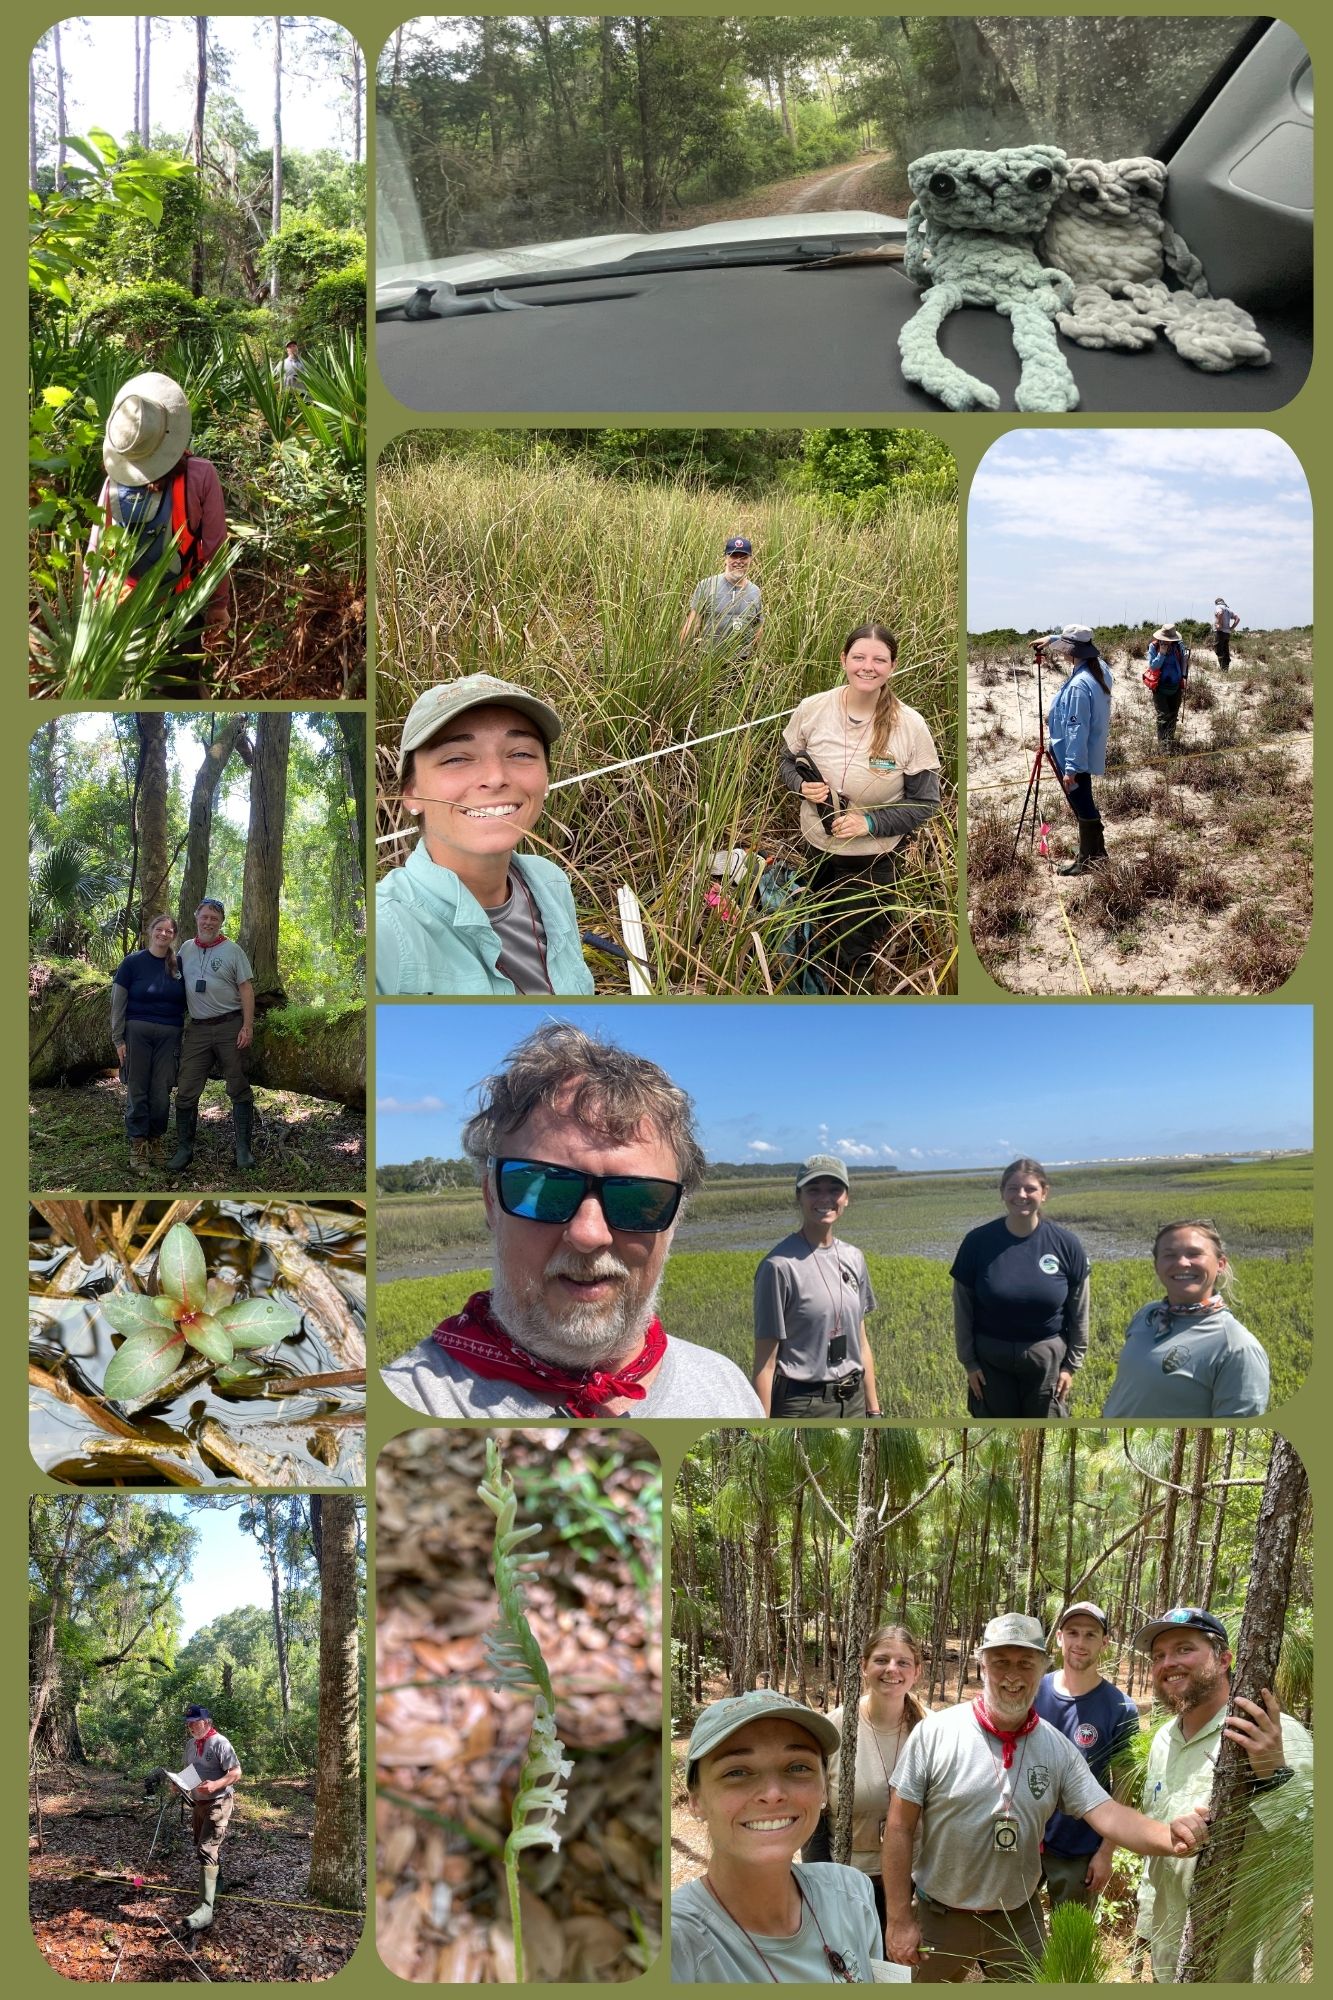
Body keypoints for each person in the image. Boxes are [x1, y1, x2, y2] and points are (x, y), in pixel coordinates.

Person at [382, 1021, 763, 1418]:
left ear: (676, 1217)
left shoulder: (726, 1392)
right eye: (545, 1191)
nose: (588, 1234)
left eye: (636, 1198)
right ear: (491, 1202)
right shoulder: (407, 1401)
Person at [882, 1613, 1208, 1983]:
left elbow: (1108, 1813)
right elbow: (899, 1827)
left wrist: (1169, 1836)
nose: (1013, 1675)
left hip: (1018, 1919)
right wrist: (898, 1919)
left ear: (1043, 1667)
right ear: (982, 1664)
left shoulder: (1056, 1748)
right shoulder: (935, 1733)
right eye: (1001, 1661)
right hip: (941, 1916)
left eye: (1025, 1662)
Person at [376, 674, 595, 997]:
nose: (495, 778)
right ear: (411, 792)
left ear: (546, 778)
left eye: (520, 753)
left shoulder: (553, 884)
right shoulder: (384, 932)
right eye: (456, 758)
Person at [1133, 1606, 1312, 1982]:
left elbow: (1311, 1852)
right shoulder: (1163, 1741)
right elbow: (1158, 1851)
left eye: (1184, 1649)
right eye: (1159, 1656)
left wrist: (1274, 1775)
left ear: (1225, 1659)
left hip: (1242, 1966)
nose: (1169, 1663)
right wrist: (1149, 1927)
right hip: (1170, 1959)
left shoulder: (1278, 1736)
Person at [672, 1690, 888, 1983]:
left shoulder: (852, 1896)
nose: (773, 1794)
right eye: (737, 1772)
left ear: (824, 1788)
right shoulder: (677, 1944)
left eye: (798, 1767)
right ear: (696, 1800)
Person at [780, 624, 941, 988]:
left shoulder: (911, 726)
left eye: (879, 659)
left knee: (855, 951)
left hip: (873, 860)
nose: (867, 667)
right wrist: (801, 785)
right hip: (817, 848)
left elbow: (926, 803)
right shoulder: (812, 709)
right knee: (817, 921)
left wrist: (867, 822)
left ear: (892, 666)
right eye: (859, 657)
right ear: (844, 660)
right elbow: (787, 761)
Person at [86, 371, 231, 650]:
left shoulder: (111, 481)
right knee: (177, 686)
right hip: (177, 608)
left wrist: (89, 610)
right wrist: (218, 604)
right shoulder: (200, 474)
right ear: (170, 432)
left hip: (119, 606)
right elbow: (215, 547)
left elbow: (96, 550)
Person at [804, 1626, 927, 1930]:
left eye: (903, 1662)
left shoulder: (932, 1730)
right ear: (863, 1666)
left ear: (917, 1672)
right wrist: (819, 1885)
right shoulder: (834, 1728)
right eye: (881, 1660)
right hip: (849, 1882)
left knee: (903, 1974)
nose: (892, 1670)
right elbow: (812, 1819)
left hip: (917, 1883)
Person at [949, 1158, 1089, 1419]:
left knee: (1045, 1438)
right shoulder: (977, 1242)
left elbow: (1080, 1311)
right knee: (995, 1435)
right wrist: (969, 1362)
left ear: (1044, 1193)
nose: (1021, 1195)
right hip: (991, 1360)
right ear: (1002, 1192)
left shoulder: (1066, 1244)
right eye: (1013, 1188)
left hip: (1046, 1359)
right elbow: (963, 1308)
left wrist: (1071, 1366)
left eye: (1030, 1189)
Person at [752, 1155, 883, 1418]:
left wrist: (874, 1409)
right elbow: (765, 1365)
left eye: (834, 1189)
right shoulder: (778, 1266)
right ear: (799, 1197)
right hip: (802, 1406)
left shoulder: (854, 1257)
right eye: (814, 1190)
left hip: (854, 1400)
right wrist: (760, 1435)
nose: (825, 1198)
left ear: (846, 1197)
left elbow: (862, 1341)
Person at [1100, 1221, 1270, 1418]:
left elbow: (1232, 1439)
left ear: (1220, 1264)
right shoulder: (1148, 1315)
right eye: (1169, 1255)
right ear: (1156, 1265)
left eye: (1194, 1253)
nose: (1181, 1263)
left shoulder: (1236, 1347)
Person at [1033, 1604, 1140, 1914]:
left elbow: (1123, 1786)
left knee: (1069, 1944)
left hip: (1079, 1848)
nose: (1080, 1643)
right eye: (1073, 1633)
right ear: (1059, 1639)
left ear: (1104, 1643)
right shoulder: (1032, 1692)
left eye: (1090, 1635)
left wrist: (1106, 1852)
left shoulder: (1120, 1708)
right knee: (1011, 1940)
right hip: (1025, 1841)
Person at [165, 898, 256, 1174]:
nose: (208, 922)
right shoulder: (186, 949)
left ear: (221, 922)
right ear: (196, 918)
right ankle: (184, 1149)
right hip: (198, 1029)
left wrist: (247, 1026)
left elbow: (246, 989)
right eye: (204, 917)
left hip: (230, 1025)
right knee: (186, 1088)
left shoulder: (233, 951)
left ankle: (243, 1149)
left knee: (238, 1086)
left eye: (214, 919)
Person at [111, 913, 187, 1176]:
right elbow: (118, 1003)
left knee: (161, 1091)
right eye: (160, 929)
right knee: (138, 1090)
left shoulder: (178, 966)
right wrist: (118, 1038)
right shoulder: (132, 963)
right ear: (150, 931)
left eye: (169, 931)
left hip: (169, 1036)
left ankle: (155, 1140)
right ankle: (138, 1145)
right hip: (137, 1033)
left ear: (174, 936)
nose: (164, 934)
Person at [1041, 624, 1112, 876]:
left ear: (1072, 651)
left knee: (1082, 804)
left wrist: (1071, 769)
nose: (1061, 653)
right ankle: (1096, 851)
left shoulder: (1078, 686)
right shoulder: (1100, 670)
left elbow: (1076, 730)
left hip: (1073, 755)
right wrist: (1052, 639)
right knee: (1085, 802)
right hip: (1084, 752)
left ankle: (1087, 859)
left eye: (1064, 649)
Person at [182, 1702, 242, 1932]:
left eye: (194, 1721)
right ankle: (217, 1885)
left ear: (207, 1722)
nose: (190, 1726)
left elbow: (236, 1772)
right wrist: (180, 1786)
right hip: (198, 1804)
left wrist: (217, 1783)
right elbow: (189, 1773)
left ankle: (205, 1910)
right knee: (203, 1845)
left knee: (206, 1849)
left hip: (219, 1802)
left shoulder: (220, 1742)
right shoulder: (190, 1745)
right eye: (188, 1723)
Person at [680, 536, 763, 658]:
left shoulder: (755, 591)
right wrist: (680, 657)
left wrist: (759, 660)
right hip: (708, 660)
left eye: (744, 557)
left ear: (750, 559)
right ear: (726, 558)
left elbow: (758, 628)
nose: (739, 561)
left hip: (742, 663)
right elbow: (693, 624)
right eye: (734, 556)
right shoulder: (707, 585)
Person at [1144, 625, 1189, 750]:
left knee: (1173, 715)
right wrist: (1162, 654)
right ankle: (1163, 747)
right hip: (1160, 688)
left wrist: (1184, 676)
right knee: (1163, 716)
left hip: (1175, 687)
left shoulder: (1178, 646)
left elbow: (1183, 663)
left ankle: (1170, 741)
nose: (1167, 642)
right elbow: (1153, 667)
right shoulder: (1154, 646)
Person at [1212, 596, 1241, 670]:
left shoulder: (1218, 607)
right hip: (1227, 633)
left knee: (1219, 650)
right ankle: (1226, 669)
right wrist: (1232, 628)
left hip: (1220, 632)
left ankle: (1223, 669)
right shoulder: (1228, 609)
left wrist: (1219, 624)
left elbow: (1220, 613)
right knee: (1225, 650)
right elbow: (1237, 618)